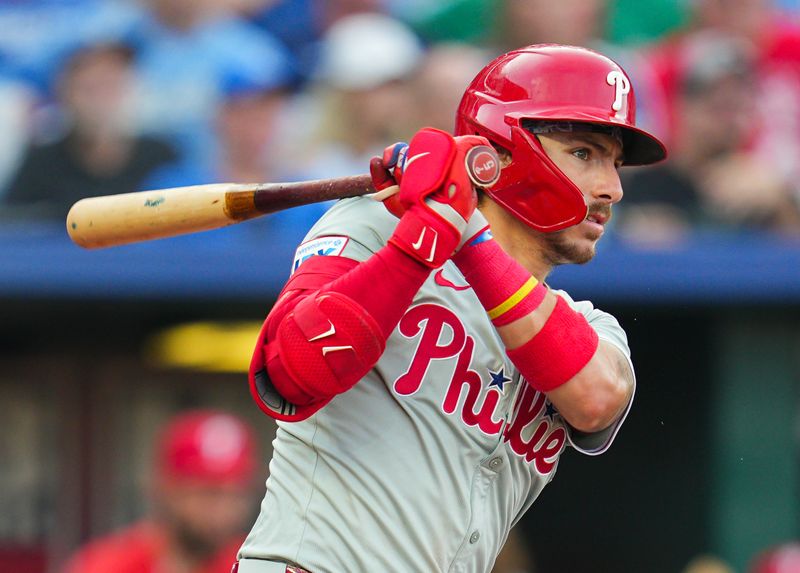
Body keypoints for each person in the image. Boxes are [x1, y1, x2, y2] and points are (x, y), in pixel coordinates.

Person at [237, 44, 666, 573]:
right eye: (584, 153)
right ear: (503, 151)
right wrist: (421, 242)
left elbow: (595, 399)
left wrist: (465, 232)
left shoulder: (590, 326)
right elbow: (289, 372)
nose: (613, 189)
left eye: (615, 164)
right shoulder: (378, 227)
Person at [64, 409, 259, 573]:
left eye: (237, 494)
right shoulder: (109, 566)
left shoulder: (253, 566)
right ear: (167, 488)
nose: (226, 510)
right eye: (210, 493)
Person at [3, 42, 176, 219]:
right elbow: (14, 228)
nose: (101, 101)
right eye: (89, 89)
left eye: (110, 86)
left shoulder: (160, 155)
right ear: (64, 94)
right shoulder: (41, 164)